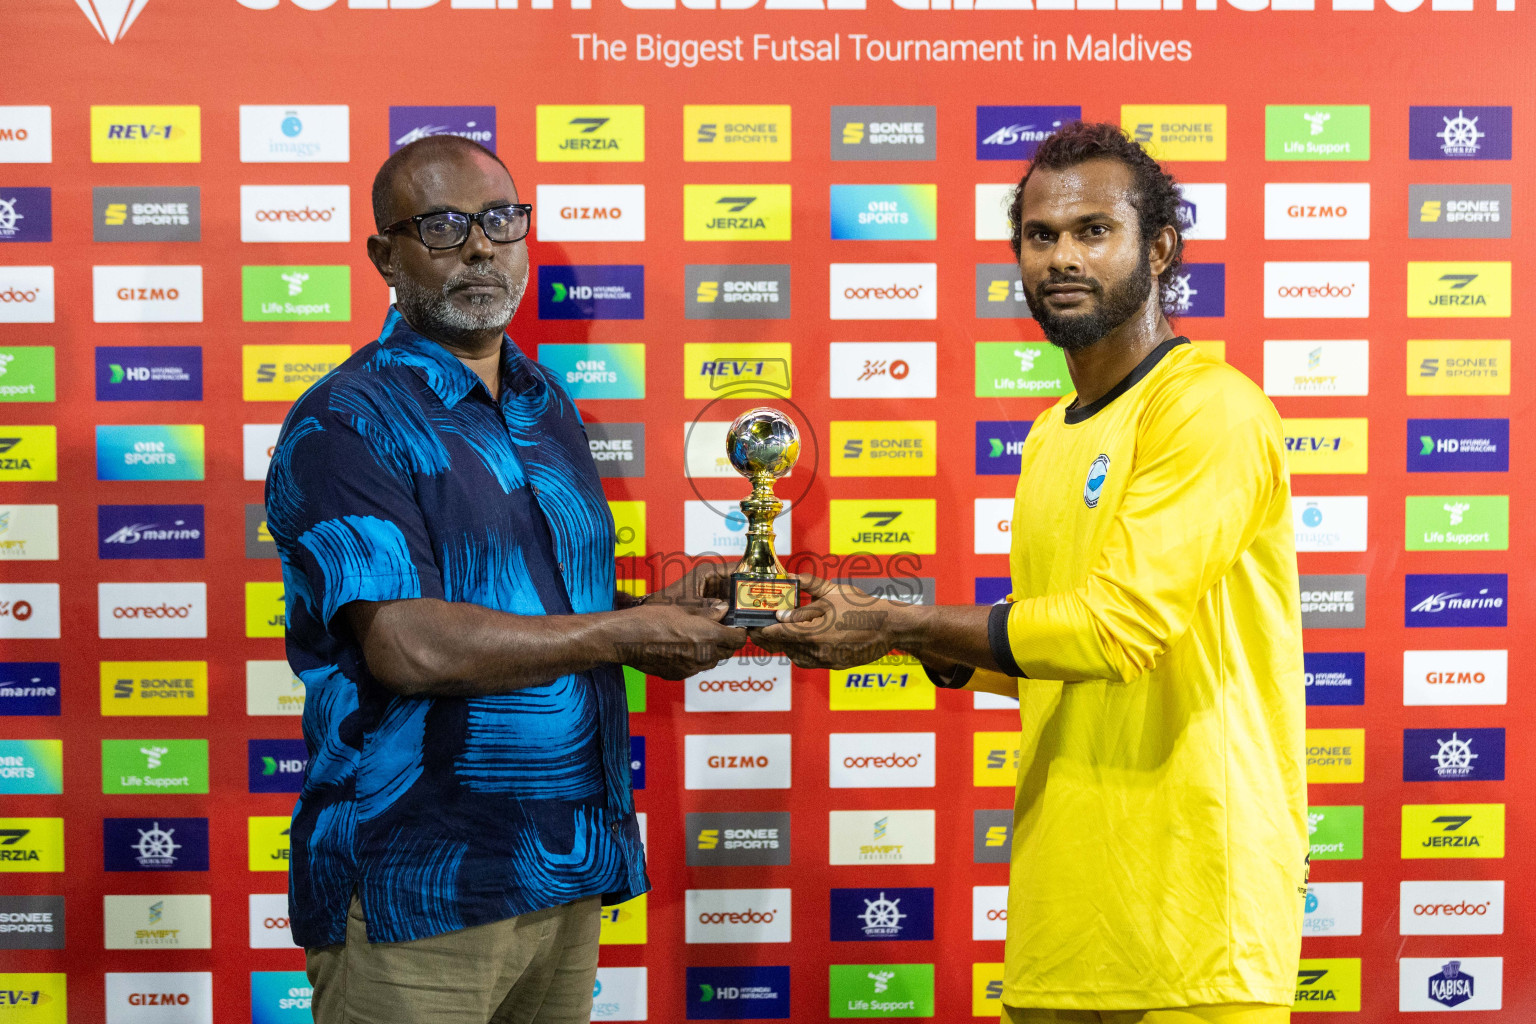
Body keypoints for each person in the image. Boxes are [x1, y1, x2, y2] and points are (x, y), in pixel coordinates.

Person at [755, 122, 1306, 1024]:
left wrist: (899, 622)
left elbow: (1108, 631)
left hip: (1198, 920)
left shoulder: (1210, 410)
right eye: (1040, 235)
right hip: (1065, 917)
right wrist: (877, 639)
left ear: (1160, 247)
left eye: (1094, 231)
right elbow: (1050, 658)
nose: (1061, 257)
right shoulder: (1054, 434)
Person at [264, 134, 744, 1024]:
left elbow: (555, 614)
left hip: (562, 866)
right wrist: (620, 637)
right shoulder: (345, 419)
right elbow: (405, 645)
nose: (481, 246)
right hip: (416, 881)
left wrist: (654, 616)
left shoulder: (545, 402)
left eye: (500, 219)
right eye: (442, 226)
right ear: (385, 255)